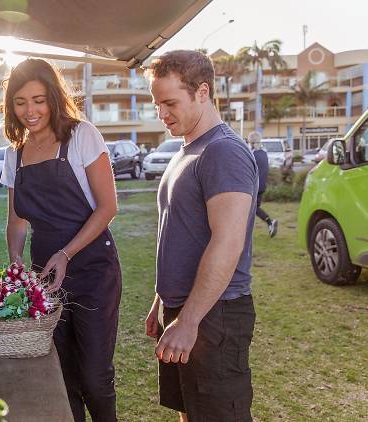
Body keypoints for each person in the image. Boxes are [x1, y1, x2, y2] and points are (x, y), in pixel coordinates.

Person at [0, 58, 121, 422]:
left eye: (38, 99)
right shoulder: (14, 155)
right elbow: (17, 220)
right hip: (45, 278)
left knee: (95, 378)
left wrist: (67, 252)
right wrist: (16, 260)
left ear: (53, 97)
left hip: (93, 271)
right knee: (62, 376)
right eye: (20, 102)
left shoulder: (82, 136)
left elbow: (107, 207)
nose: (30, 110)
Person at [143, 50, 258, 422]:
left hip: (215, 314)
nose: (162, 114)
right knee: (190, 412)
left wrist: (189, 320)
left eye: (170, 102)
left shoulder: (224, 152)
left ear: (203, 92)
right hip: (183, 308)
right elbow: (179, 231)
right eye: (157, 103)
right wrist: (162, 302)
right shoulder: (186, 150)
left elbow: (227, 242)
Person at [247, 131, 278, 237]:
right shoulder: (264, 153)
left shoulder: (252, 155)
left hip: (254, 186)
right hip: (262, 185)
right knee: (253, 208)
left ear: (251, 143)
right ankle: (269, 223)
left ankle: (270, 222)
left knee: (252, 208)